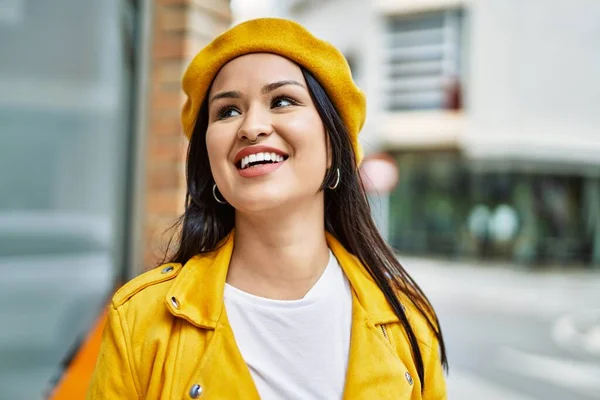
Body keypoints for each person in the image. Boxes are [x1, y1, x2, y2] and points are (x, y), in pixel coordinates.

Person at [86, 18, 447, 399]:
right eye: (227, 111)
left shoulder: (408, 320)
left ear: (333, 146)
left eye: (282, 101)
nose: (252, 126)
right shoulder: (139, 320)